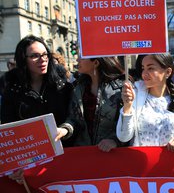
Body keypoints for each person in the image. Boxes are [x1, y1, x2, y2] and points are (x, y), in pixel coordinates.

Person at [1, 35, 73, 184]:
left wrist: (65, 129)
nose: (42, 59)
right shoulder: (12, 90)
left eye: (45, 54)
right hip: (30, 162)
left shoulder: (63, 87)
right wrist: (16, 165)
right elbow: (9, 130)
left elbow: (75, 119)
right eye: (35, 56)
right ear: (23, 60)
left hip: (63, 157)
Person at [116, 54, 174, 151]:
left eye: (150, 68)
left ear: (168, 72)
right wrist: (127, 107)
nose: (144, 74)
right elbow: (123, 137)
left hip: (169, 164)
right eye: (143, 68)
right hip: (140, 163)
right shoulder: (135, 97)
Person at [56, 56, 127, 152]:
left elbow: (127, 123)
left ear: (96, 63)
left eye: (82, 57)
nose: (77, 60)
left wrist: (115, 140)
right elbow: (74, 120)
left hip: (111, 154)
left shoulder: (121, 89)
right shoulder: (78, 87)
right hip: (84, 153)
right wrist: (64, 129)